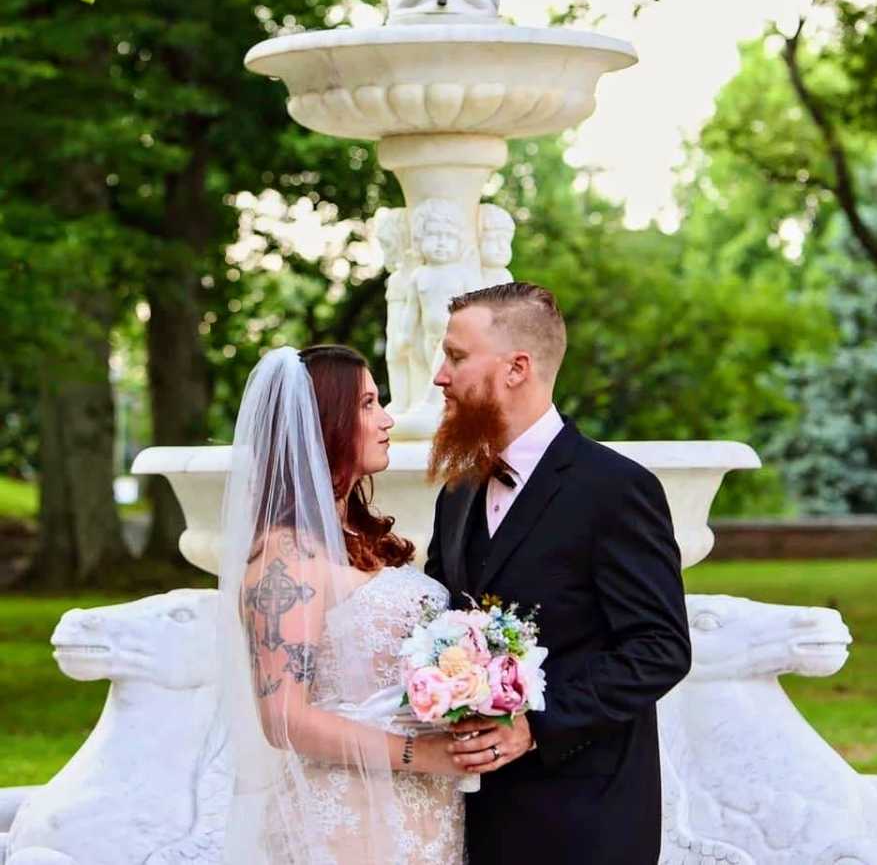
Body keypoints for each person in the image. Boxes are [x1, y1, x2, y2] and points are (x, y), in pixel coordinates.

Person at [424, 283, 692, 865]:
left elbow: (660, 648)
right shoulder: (458, 492)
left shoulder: (616, 489)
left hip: (588, 819)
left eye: (456, 356)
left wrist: (535, 725)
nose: (441, 377)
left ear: (517, 368)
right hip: (479, 815)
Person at [217, 344, 465, 864]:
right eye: (368, 404)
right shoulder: (284, 560)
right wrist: (424, 754)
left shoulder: (359, 534)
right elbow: (285, 720)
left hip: (422, 810)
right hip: (348, 820)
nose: (387, 418)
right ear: (325, 422)